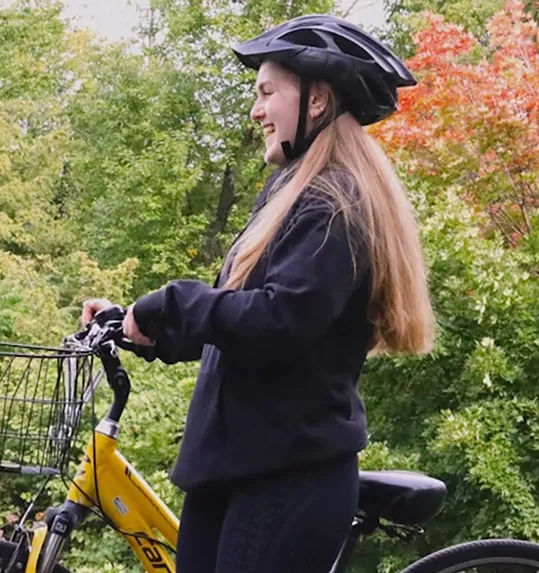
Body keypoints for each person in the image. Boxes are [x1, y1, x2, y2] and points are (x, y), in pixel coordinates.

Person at [81, 14, 435, 573]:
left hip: (285, 480)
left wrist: (172, 302)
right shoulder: (290, 194)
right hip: (240, 470)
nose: (256, 110)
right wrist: (144, 326)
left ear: (317, 100)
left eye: (268, 92)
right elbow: (240, 326)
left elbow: (278, 322)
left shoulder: (334, 206)